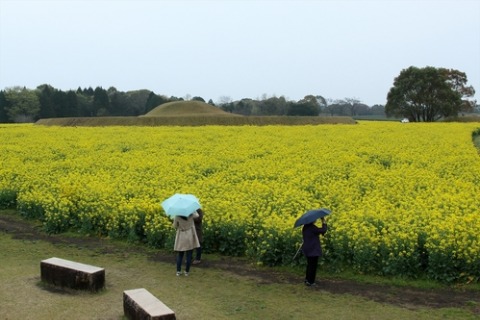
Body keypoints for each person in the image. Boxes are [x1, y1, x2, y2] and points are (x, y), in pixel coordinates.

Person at [302, 217, 328, 286]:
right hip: (313, 250)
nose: (315, 220)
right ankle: (311, 282)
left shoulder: (305, 227)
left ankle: (307, 279)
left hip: (307, 249)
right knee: (313, 266)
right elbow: (323, 230)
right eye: (314, 219)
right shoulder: (312, 227)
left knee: (309, 265)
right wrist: (324, 222)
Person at [173, 211, 200, 276]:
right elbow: (197, 215)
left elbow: (175, 226)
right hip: (189, 235)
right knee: (189, 255)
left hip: (181, 235)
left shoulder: (177, 216)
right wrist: (193, 210)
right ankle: (186, 272)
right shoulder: (191, 215)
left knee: (180, 255)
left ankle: (178, 271)